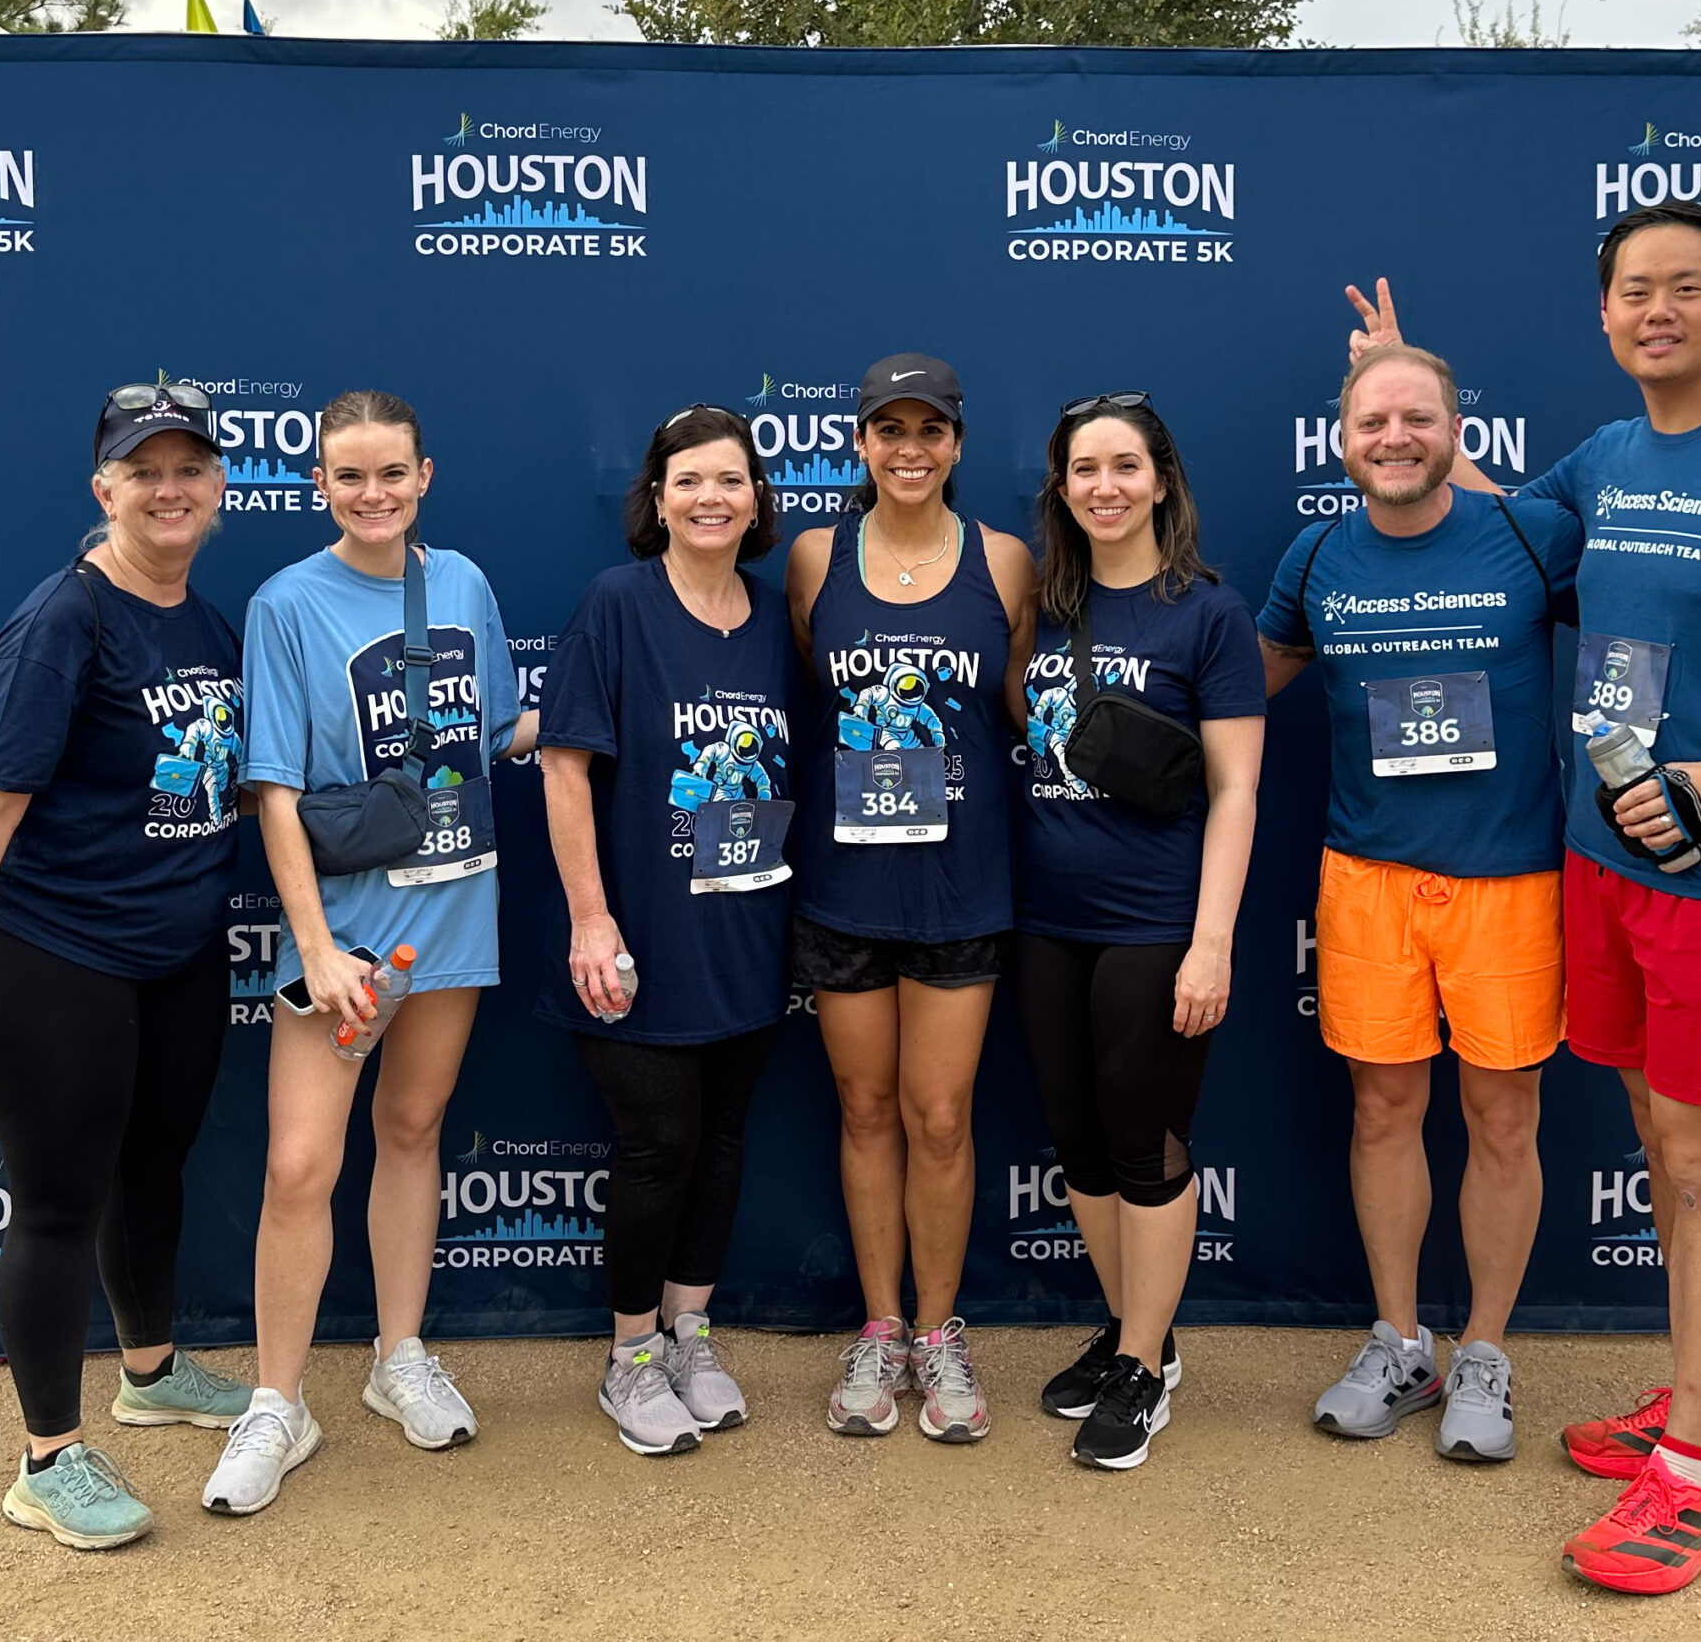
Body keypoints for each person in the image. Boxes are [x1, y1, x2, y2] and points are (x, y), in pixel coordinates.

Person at [1367, 201, 1701, 1595]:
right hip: (1608, 863)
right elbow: (1505, 516)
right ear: (1605, 317)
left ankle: (1692, 1474)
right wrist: (1405, 398)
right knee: (1653, 1126)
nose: (1657, 309)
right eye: (1633, 291)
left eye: (1685, 286)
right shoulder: (1612, 455)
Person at [0, 383, 252, 1551]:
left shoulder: (206, 621)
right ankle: (47, 1456)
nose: (168, 489)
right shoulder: (63, 618)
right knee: (56, 1201)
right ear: (104, 489)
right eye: (143, 471)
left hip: (178, 950)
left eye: (189, 468)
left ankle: (147, 1366)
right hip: (54, 954)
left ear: (218, 490)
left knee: (155, 1161)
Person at [203, 389, 533, 1517]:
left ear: (424, 474)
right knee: (300, 1162)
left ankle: (399, 1356)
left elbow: (494, 728)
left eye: (391, 472)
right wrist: (315, 943)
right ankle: (275, 1402)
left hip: (457, 902)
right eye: (350, 476)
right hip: (344, 927)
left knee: (412, 1127)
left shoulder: (467, 584)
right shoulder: (285, 602)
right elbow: (275, 790)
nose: (373, 493)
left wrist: (610, 702)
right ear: (319, 485)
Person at [1258, 343, 1579, 1469]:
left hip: (1508, 880)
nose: (1392, 438)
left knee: (1503, 1120)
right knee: (1383, 1113)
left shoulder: (1532, 535)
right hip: (1368, 881)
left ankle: (1483, 1349)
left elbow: (1662, 601)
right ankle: (1398, 1340)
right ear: (1338, 440)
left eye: (1416, 419)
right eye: (1370, 421)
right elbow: (1241, 689)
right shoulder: (1316, 554)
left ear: (1459, 433)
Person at [538, 406, 802, 1455]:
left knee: (724, 1137)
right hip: (638, 929)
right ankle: (630, 1353)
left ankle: (691, 1329)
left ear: (755, 499)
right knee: (658, 1143)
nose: (710, 498)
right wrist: (591, 920)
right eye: (688, 480)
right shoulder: (617, 604)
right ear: (655, 499)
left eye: (730, 480)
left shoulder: (784, 616)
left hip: (751, 930)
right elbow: (563, 767)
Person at [786, 353, 1037, 1443]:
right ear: (859, 442)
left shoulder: (1005, 561)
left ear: (958, 444)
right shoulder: (811, 559)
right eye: (888, 429)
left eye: (927, 430)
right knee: (865, 1109)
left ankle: (938, 1334)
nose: (908, 449)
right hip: (842, 884)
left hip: (961, 883)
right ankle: (879, 1327)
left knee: (939, 1115)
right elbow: (803, 684)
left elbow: (1022, 707)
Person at [1011, 392, 1264, 1470]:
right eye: (1083, 470)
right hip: (1043, 918)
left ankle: (1147, 1363)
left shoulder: (1207, 613)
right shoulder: (1045, 607)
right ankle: (1130, 1336)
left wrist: (1211, 940)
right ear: (1061, 488)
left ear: (1160, 478)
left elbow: (1237, 788)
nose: (1103, 487)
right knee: (1076, 1141)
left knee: (1144, 1142)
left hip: (1155, 920)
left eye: (1124, 466)